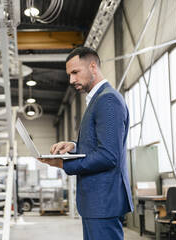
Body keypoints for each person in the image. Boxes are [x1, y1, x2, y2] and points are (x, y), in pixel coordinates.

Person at [40, 47, 133, 240]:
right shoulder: (97, 100)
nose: (71, 80)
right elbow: (98, 145)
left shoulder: (107, 100)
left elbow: (109, 156)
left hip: (103, 201)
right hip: (96, 203)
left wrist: (65, 164)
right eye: (69, 75)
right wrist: (74, 146)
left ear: (93, 67)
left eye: (75, 72)